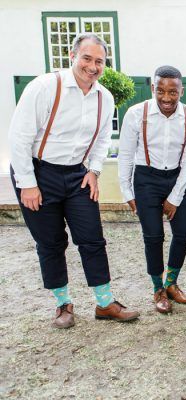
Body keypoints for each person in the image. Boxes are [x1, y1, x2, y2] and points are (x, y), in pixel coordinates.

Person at [8, 33, 140, 328]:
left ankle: (105, 303)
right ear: (72, 56)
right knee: (51, 242)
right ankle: (62, 304)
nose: (92, 67)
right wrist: (27, 183)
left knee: (92, 238)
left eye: (99, 61)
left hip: (77, 174)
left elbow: (103, 137)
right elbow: (19, 137)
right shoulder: (44, 87)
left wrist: (93, 170)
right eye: (87, 58)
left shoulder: (104, 97)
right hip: (38, 172)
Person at [118, 65, 186, 314]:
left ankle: (171, 283)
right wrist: (127, 192)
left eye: (173, 92)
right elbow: (125, 155)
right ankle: (158, 288)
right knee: (153, 237)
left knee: (184, 233)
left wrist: (175, 197)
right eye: (161, 91)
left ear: (181, 91)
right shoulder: (135, 114)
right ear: (153, 88)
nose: (167, 98)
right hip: (146, 179)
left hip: (178, 177)